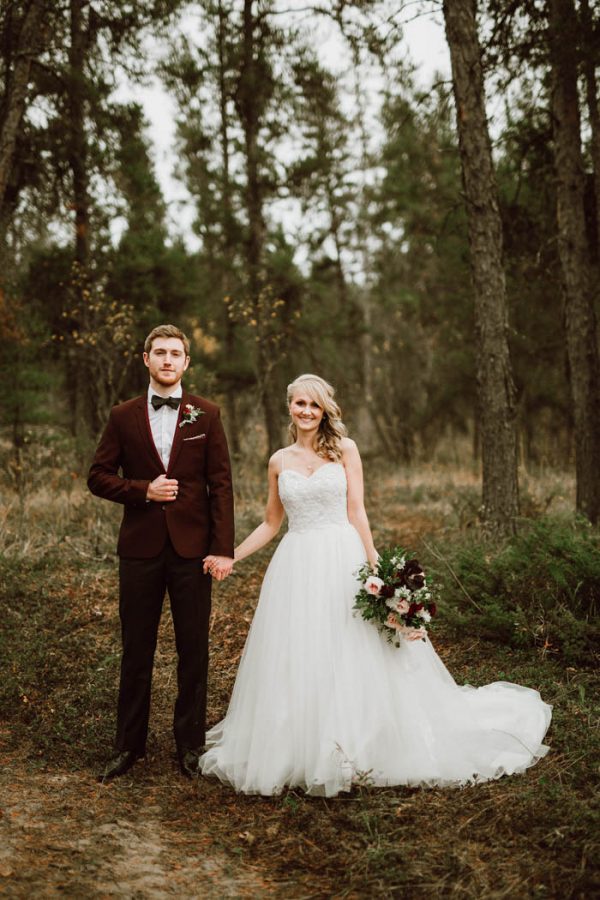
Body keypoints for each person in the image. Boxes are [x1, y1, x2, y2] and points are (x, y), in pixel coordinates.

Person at [201, 373, 551, 797]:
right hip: (296, 564)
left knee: (354, 647)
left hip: (341, 557)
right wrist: (231, 555)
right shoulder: (279, 460)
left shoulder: (345, 450)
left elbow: (358, 513)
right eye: (299, 404)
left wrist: (378, 570)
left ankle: (356, 741)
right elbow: (272, 522)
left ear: (325, 409)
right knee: (300, 650)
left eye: (314, 405)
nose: (306, 412)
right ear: (289, 408)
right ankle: (299, 744)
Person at [88, 324, 234, 782]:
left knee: (194, 650)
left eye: (176, 353)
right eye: (160, 353)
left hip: (192, 551)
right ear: (146, 359)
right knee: (137, 649)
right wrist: (141, 491)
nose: (168, 360)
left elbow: (222, 486)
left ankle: (189, 745)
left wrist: (222, 549)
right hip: (140, 550)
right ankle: (127, 746)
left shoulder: (207, 415)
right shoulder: (122, 415)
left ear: (186, 362)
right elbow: (97, 476)